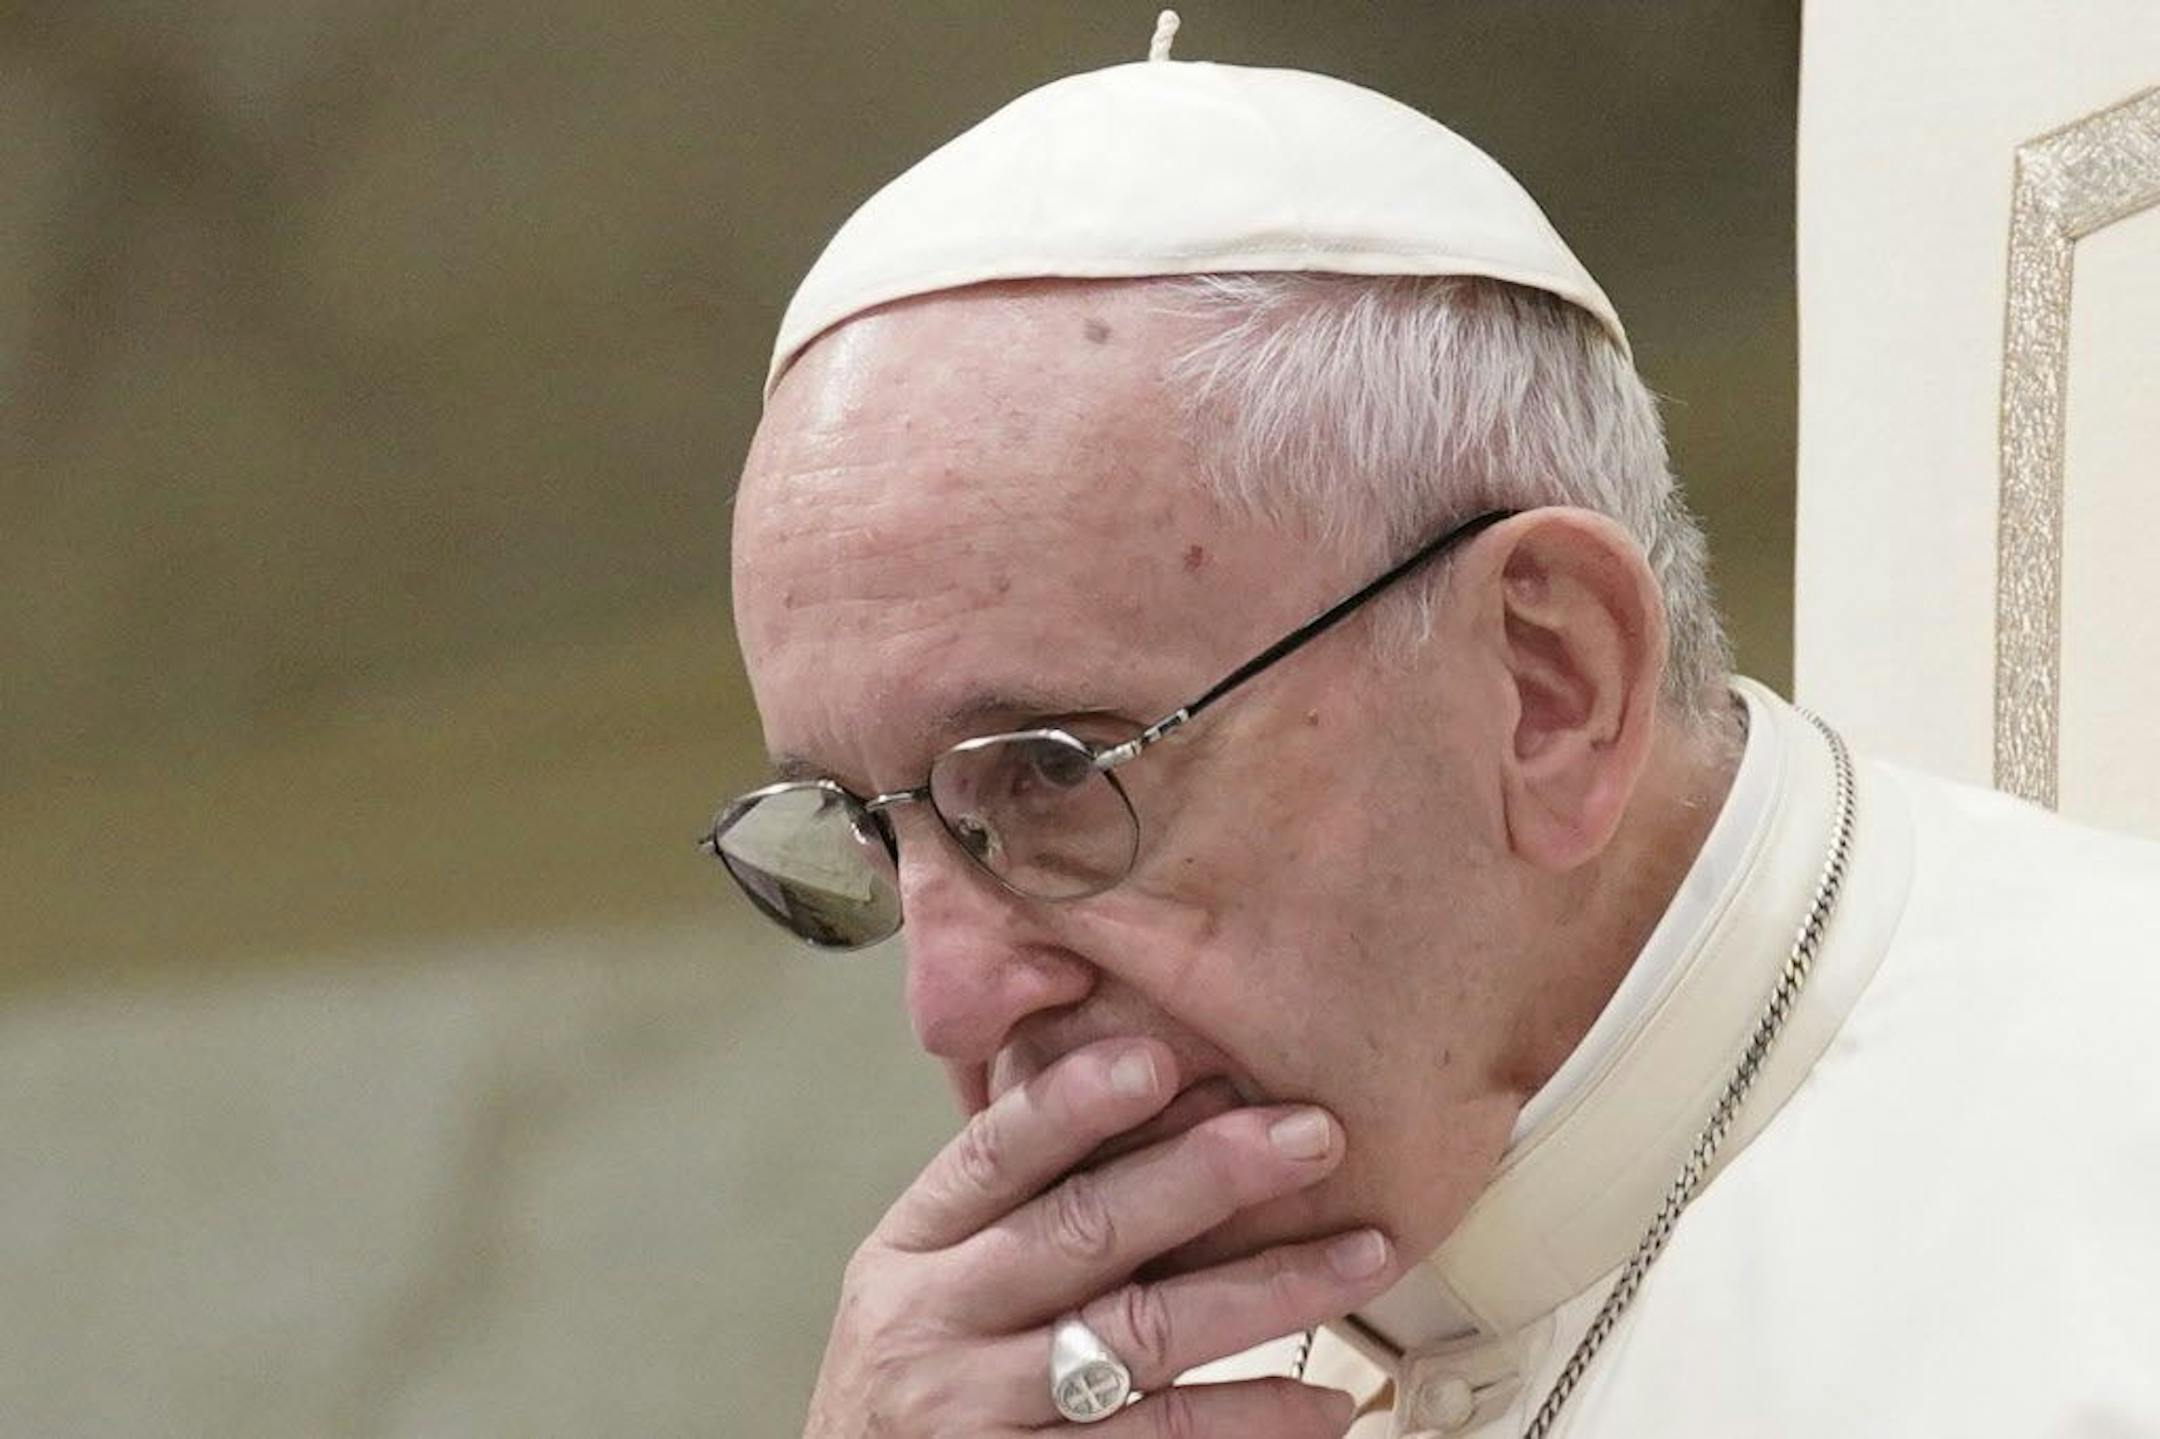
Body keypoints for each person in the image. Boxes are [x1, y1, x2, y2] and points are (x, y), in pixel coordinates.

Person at [705, 17, 2160, 1437]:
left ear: (1549, 685)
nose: (947, 1009)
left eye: (1051, 776)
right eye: (865, 835)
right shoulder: (1028, 1383)